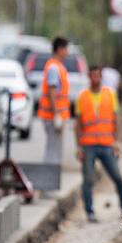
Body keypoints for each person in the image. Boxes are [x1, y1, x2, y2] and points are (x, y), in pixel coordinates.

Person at [75, 65, 122, 223]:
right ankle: (90, 212)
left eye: (98, 76)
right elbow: (78, 124)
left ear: (101, 77)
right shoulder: (82, 96)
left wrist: (117, 141)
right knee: (88, 180)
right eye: (93, 76)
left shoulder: (110, 95)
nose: (95, 79)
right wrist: (78, 146)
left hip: (107, 144)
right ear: (89, 77)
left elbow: (116, 120)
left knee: (117, 177)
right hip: (88, 145)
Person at [38, 37, 71, 165]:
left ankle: (51, 173)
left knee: (55, 149)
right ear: (59, 49)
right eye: (66, 49)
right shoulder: (54, 67)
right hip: (52, 116)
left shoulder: (57, 66)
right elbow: (52, 91)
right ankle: (49, 174)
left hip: (55, 115)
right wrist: (56, 114)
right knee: (53, 151)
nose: (67, 52)